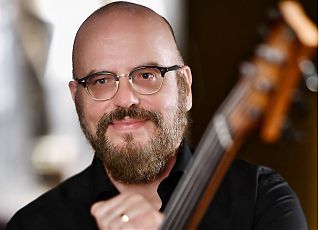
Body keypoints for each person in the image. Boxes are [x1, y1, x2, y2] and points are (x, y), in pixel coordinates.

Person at [6, 1, 308, 229]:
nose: (126, 99)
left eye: (148, 75)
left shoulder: (261, 200)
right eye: (101, 81)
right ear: (77, 98)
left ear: (185, 88)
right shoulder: (35, 223)